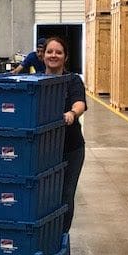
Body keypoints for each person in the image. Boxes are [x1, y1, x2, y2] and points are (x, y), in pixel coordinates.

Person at [43, 36, 86, 233]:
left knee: (65, 195)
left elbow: (80, 103)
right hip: (44, 148)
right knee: (44, 194)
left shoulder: (73, 80)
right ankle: (45, 235)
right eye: (50, 51)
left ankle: (61, 237)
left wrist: (72, 113)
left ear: (65, 57)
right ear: (43, 56)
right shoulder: (36, 82)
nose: (54, 55)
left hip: (70, 148)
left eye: (58, 52)